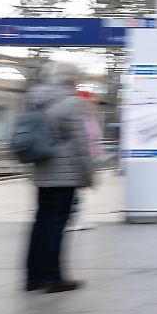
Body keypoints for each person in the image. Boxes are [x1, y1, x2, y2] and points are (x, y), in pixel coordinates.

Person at [24, 61, 95, 293]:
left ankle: (33, 277)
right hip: (65, 174)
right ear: (70, 79)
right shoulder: (71, 102)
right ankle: (54, 278)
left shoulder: (35, 99)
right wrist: (88, 175)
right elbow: (80, 143)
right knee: (57, 225)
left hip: (42, 169)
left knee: (41, 223)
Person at [65, 90, 104, 232]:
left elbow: (95, 138)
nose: (94, 106)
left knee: (81, 190)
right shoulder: (76, 118)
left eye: (94, 103)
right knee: (75, 191)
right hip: (77, 158)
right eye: (90, 103)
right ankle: (72, 220)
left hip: (88, 158)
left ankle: (80, 218)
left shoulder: (91, 118)